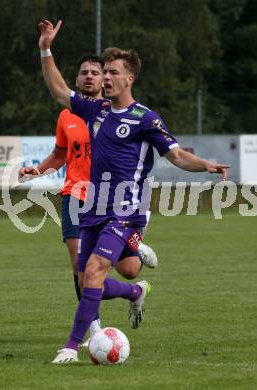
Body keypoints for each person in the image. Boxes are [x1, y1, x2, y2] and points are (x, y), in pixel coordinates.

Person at [37, 19, 229, 364]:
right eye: (104, 72)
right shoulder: (97, 110)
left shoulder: (145, 119)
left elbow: (178, 155)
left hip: (125, 212)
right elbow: (58, 91)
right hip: (93, 209)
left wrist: (208, 166)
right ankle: (136, 291)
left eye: (112, 72)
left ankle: (70, 346)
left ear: (129, 79)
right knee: (88, 283)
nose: (105, 78)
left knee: (95, 270)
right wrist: (45, 49)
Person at [19, 54, 157, 344]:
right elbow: (60, 154)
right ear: (78, 79)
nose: (91, 77)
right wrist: (39, 169)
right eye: (85, 73)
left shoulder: (109, 113)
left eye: (97, 72)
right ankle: (95, 333)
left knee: (130, 270)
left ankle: (135, 288)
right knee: (82, 271)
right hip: (75, 196)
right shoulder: (68, 115)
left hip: (111, 200)